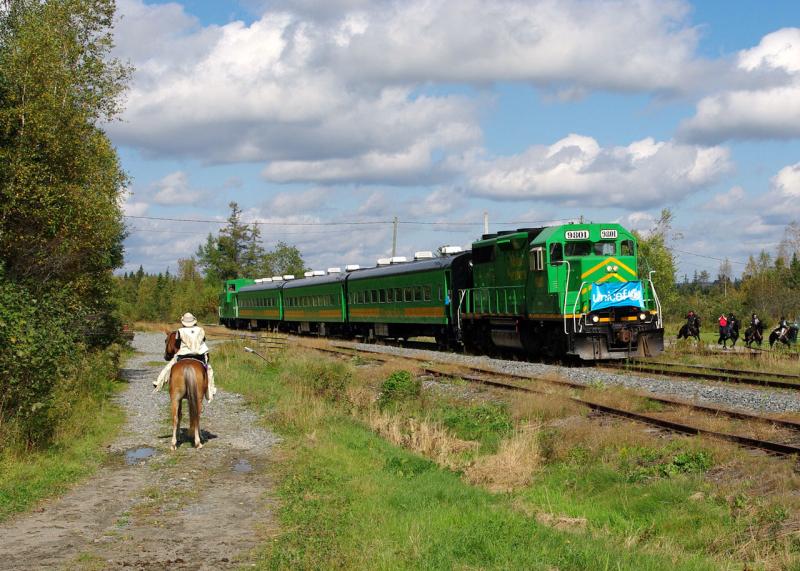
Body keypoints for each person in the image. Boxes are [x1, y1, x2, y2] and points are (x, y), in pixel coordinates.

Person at [154, 312, 217, 402]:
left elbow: (177, 343)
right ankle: (211, 390)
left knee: (169, 367)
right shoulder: (201, 330)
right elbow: (203, 340)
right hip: (200, 354)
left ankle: (159, 382)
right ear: (194, 321)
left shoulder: (180, 331)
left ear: (184, 322)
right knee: (209, 370)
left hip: (184, 354)